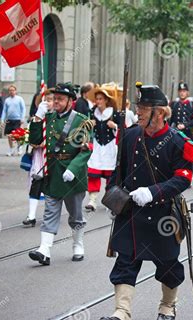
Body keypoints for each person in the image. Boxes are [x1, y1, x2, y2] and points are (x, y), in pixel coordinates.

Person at [98, 83, 193, 320]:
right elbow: (118, 172)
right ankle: (122, 314)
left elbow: (184, 178)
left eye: (144, 108)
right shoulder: (131, 135)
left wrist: (153, 192)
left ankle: (167, 306)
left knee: (168, 266)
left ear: (160, 113)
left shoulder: (178, 141)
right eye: (139, 107)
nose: (139, 112)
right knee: (125, 261)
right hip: (131, 212)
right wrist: (113, 197)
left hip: (163, 215)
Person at [27, 83, 92, 265]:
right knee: (50, 212)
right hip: (53, 172)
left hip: (73, 174)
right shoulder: (48, 118)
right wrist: (37, 118)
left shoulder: (81, 120)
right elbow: (34, 141)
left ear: (71, 101)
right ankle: (44, 250)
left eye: (60, 99)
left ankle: (78, 244)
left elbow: (86, 150)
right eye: (54, 98)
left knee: (76, 214)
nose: (56, 102)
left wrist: (73, 169)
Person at [85, 85, 121, 212]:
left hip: (110, 147)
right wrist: (90, 125)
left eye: (100, 99)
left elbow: (124, 130)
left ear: (106, 100)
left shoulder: (114, 113)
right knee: (94, 174)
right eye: (97, 99)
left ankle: (109, 199)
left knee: (110, 175)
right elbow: (85, 130)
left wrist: (115, 126)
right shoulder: (92, 113)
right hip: (97, 146)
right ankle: (92, 200)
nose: (98, 102)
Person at [22, 90, 55, 227]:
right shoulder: (37, 117)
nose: (48, 102)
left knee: (51, 187)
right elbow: (31, 138)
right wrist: (38, 117)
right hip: (39, 157)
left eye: (51, 99)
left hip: (53, 158)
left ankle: (51, 215)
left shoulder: (57, 119)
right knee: (36, 184)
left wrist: (48, 143)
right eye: (46, 99)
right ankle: (31, 216)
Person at [1, 85, 26, 157]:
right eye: (10, 90)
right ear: (9, 92)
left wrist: (22, 118)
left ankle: (19, 147)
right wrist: (2, 119)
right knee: (9, 135)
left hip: (17, 120)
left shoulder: (19, 99)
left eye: (13, 90)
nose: (11, 92)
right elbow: (4, 110)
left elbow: (23, 109)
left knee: (17, 135)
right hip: (9, 120)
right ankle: (11, 149)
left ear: (15, 91)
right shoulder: (7, 100)